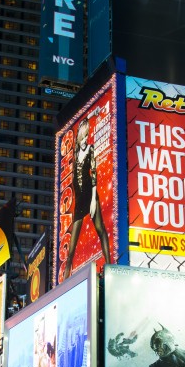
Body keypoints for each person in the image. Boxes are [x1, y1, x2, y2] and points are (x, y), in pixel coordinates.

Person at [60, 116, 113, 280]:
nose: (83, 133)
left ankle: (110, 267)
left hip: (90, 194)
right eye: (82, 131)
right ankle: (64, 283)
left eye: (85, 130)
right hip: (79, 199)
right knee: (71, 247)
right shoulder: (75, 152)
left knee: (100, 229)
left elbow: (94, 173)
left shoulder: (90, 149)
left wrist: (93, 201)